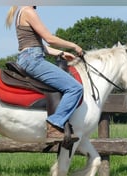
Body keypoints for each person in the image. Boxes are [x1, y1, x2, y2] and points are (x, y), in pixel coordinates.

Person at [6, 6, 83, 142]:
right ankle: (54, 124)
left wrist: (61, 53)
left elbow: (39, 45)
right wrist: (74, 46)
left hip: (29, 56)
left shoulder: (21, 12)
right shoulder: (29, 11)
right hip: (33, 59)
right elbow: (49, 39)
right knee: (75, 88)